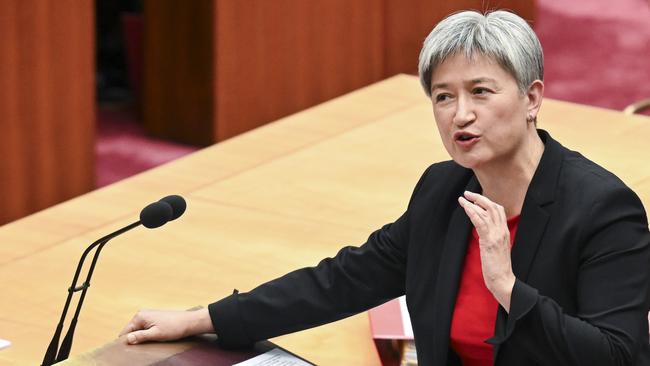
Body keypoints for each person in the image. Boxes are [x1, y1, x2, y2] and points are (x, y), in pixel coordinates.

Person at [120, 10, 650, 365]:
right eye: (443, 97)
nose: (460, 114)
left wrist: (509, 289)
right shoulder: (444, 193)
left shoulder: (602, 210)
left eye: (480, 91)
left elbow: (619, 355)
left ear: (532, 98)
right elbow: (342, 281)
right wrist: (202, 318)